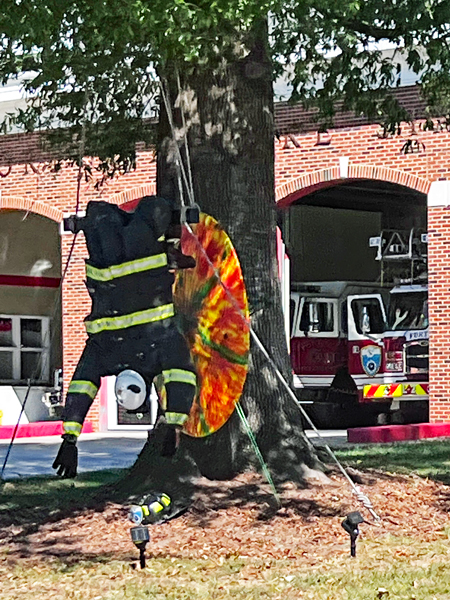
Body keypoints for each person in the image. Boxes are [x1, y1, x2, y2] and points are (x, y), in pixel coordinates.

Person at [52, 196, 197, 478]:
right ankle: (106, 216)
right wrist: (69, 436)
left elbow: (182, 375)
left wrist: (173, 422)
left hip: (144, 256)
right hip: (106, 262)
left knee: (154, 209)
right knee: (101, 215)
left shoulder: (159, 354)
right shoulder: (105, 356)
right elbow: (81, 385)